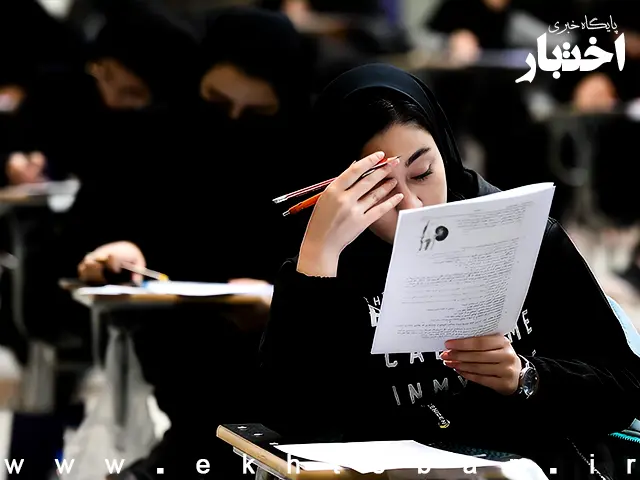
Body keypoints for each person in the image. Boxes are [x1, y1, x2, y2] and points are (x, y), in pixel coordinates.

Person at [259, 64, 640, 478]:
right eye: (380, 189)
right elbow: (293, 426)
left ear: (445, 151)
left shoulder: (520, 234)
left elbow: (624, 388)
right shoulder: (323, 270)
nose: (413, 205)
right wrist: (318, 256)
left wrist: (525, 376)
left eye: (423, 173)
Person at [73, 8, 312, 479]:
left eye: (258, 113)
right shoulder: (155, 137)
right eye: (217, 102)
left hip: (283, 376)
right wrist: (122, 251)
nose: (234, 122)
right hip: (179, 362)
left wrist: (281, 303)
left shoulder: (309, 156)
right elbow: (101, 224)